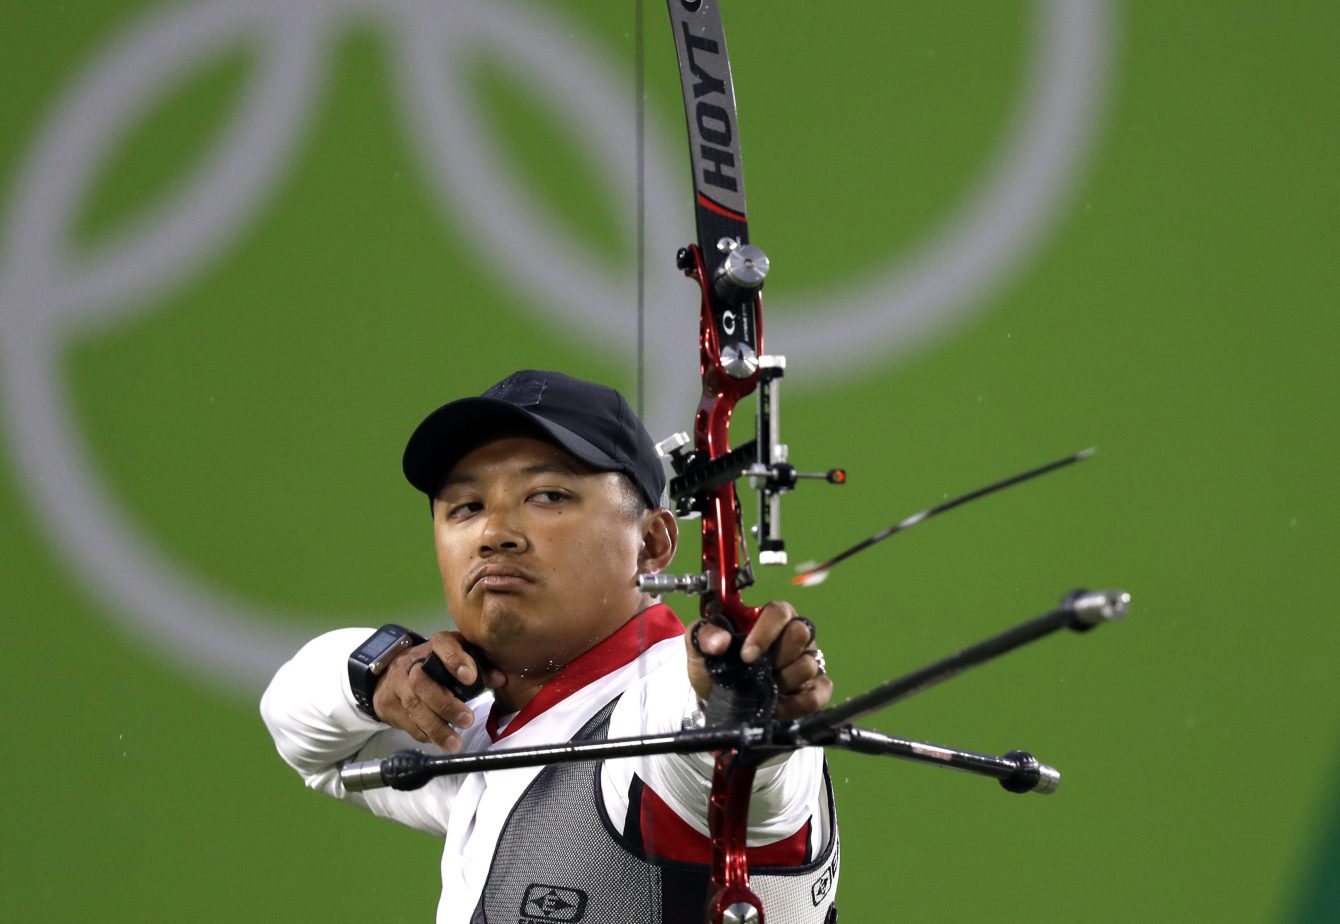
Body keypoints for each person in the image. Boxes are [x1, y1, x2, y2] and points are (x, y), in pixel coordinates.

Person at [260, 370, 840, 923]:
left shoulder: (653, 706)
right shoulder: (471, 722)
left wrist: (743, 707)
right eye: (467, 507)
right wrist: (380, 671)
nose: (495, 534)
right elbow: (308, 740)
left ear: (653, 542)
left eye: (549, 496)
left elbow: (721, 769)